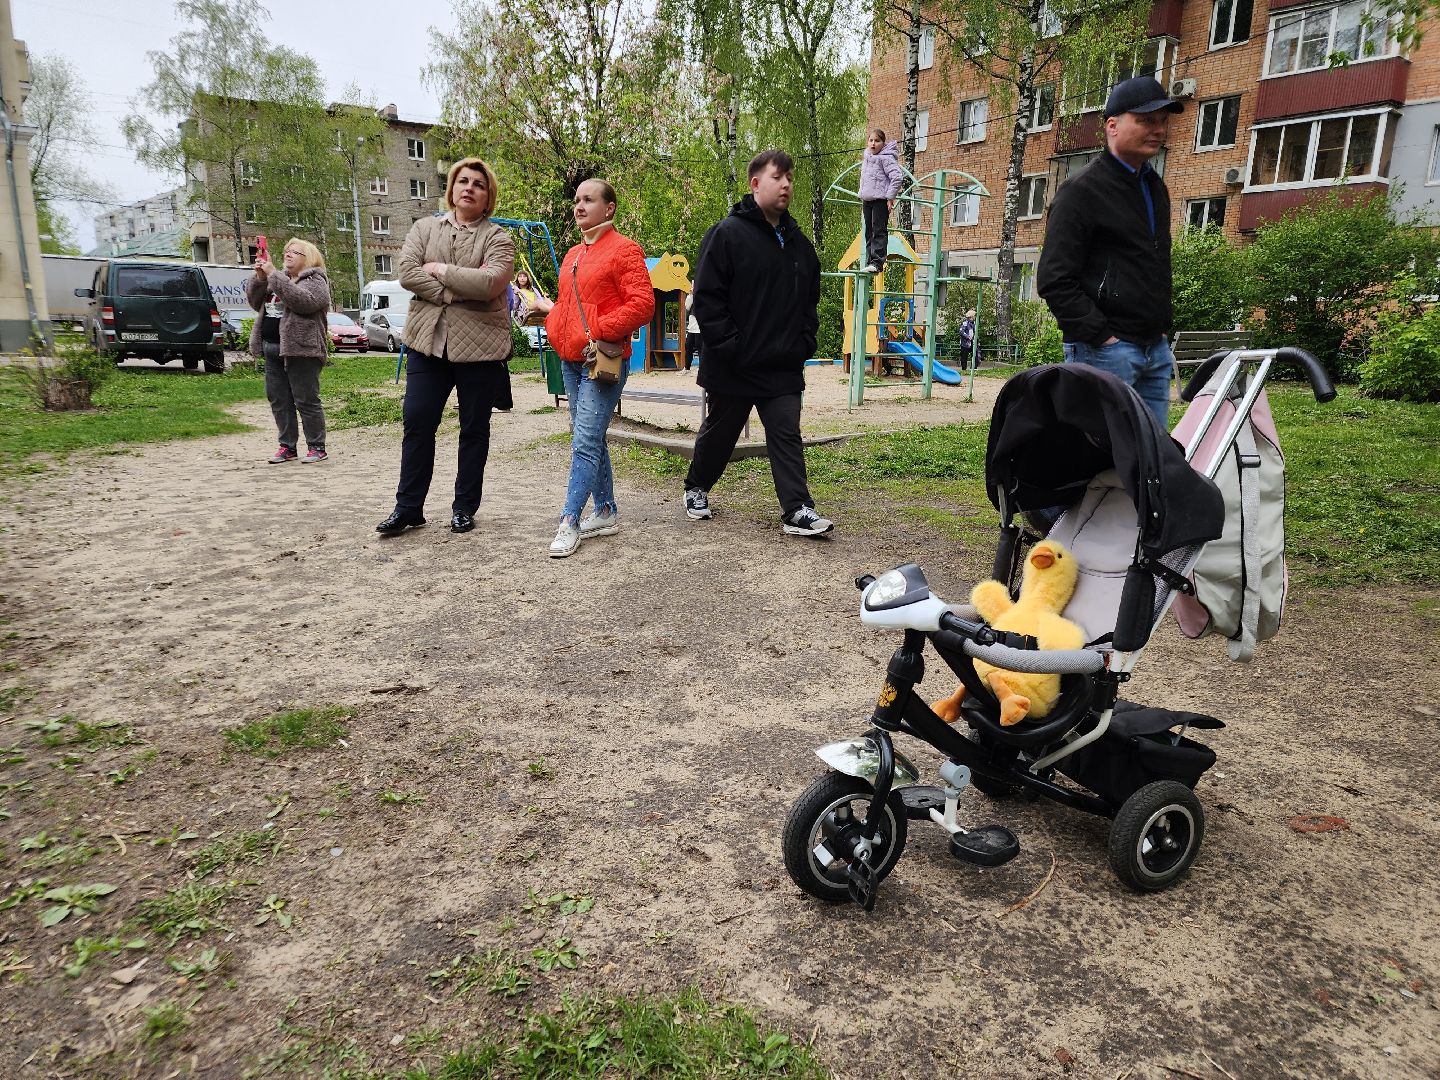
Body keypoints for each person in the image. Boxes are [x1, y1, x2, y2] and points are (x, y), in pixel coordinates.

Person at [685, 150, 832, 538]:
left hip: (781, 365)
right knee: (721, 433)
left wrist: (804, 342)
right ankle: (696, 486)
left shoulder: (799, 244)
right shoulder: (727, 235)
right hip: (734, 364)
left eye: (789, 178)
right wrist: (731, 346)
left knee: (786, 434)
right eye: (777, 177)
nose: (786, 185)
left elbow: (809, 300)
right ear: (755, 184)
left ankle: (798, 509)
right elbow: (709, 300)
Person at [375, 157, 515, 538]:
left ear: (488, 198)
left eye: (479, 185)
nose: (469, 188)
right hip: (427, 342)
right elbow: (407, 272)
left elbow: (490, 283)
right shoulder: (423, 227)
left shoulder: (498, 238)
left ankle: (464, 507)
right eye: (463, 181)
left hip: (481, 348)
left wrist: (439, 271)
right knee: (418, 421)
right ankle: (408, 508)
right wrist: (453, 290)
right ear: (452, 188)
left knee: (474, 428)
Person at [1036, 76, 1183, 430]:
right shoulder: (1081, 192)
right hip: (1106, 353)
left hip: (1153, 350)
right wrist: (1103, 337)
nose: (1158, 129)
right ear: (1113, 126)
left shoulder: (1153, 187)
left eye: (1162, 121)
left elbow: (1155, 264)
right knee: (1099, 463)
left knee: (1151, 465)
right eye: (1146, 120)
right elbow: (1054, 280)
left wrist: (1160, 329)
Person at [542, 178, 655, 558]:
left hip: (601, 360)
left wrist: (597, 329)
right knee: (590, 436)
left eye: (588, 199)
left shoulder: (625, 251)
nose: (579, 206)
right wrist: (553, 323)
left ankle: (570, 520)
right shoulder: (574, 253)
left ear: (609, 208)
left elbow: (643, 304)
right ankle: (605, 511)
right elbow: (567, 305)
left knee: (585, 441)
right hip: (571, 359)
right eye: (576, 200)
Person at [246, 238, 331, 464]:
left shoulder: (316, 280)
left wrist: (274, 275)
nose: (288, 255)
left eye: (295, 252)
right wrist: (261, 279)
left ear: (309, 258)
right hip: (273, 347)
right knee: (279, 399)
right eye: (286, 251)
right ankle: (287, 446)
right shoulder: (279, 279)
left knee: (306, 399)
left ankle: (316, 446)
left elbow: (303, 302)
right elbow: (255, 303)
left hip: (302, 349)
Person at [858, 128, 903, 274]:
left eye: (877, 141)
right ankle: (869, 262)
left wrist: (890, 197)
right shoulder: (867, 157)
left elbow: (897, 177)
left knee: (879, 231)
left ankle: (877, 263)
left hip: (880, 200)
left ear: (883, 144)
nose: (873, 144)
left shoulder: (886, 158)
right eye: (871, 140)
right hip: (868, 199)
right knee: (868, 232)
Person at [683, 289, 700, 371]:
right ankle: (687, 368)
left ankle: (701, 368)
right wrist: (691, 294)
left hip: (700, 328)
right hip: (691, 328)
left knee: (700, 348)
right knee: (688, 347)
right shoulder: (692, 297)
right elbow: (687, 306)